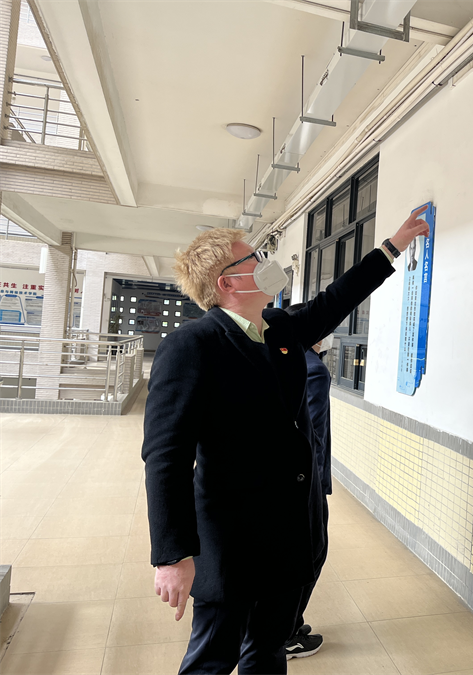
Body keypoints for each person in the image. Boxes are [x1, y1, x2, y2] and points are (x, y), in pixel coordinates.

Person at [142, 205, 429, 675]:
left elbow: (334, 301)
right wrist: (172, 555)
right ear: (227, 283)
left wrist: (391, 248)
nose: (265, 264)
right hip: (231, 540)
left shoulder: (277, 328)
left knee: (268, 651)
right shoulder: (191, 346)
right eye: (253, 259)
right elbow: (165, 457)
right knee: (212, 659)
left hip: (289, 533)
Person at [280, 304, 333, 659]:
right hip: (305, 482)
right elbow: (309, 436)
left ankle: (286, 624)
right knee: (312, 554)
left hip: (289, 479)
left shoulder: (283, 359)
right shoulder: (312, 369)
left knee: (297, 555)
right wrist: (313, 486)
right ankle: (287, 632)